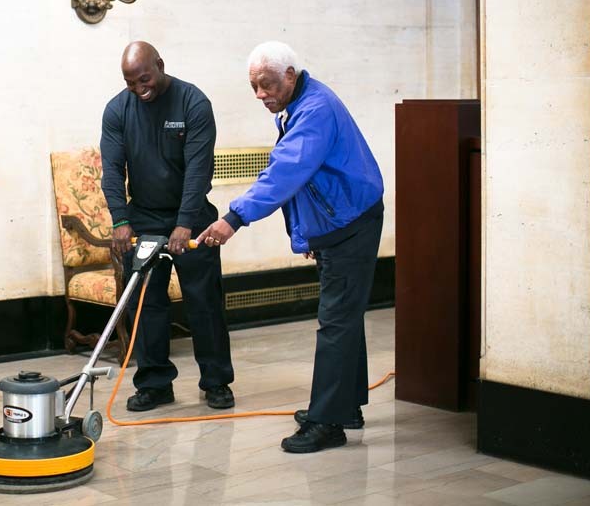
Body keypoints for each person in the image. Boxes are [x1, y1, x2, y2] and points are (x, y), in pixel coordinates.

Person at [197, 41, 384, 453]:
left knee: (335, 322)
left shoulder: (314, 110)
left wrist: (234, 218)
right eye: (253, 87)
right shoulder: (299, 105)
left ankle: (327, 422)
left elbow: (286, 173)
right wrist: (310, 235)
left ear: (290, 76)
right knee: (345, 318)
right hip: (342, 221)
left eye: (266, 85)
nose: (261, 95)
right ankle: (346, 406)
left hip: (351, 223)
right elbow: (304, 178)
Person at [100, 41, 235, 412]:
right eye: (130, 82)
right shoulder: (117, 109)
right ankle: (155, 383)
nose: (139, 88)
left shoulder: (193, 103)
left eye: (144, 78)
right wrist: (121, 220)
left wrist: (185, 223)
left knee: (204, 301)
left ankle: (216, 381)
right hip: (143, 215)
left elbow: (198, 169)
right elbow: (111, 170)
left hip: (192, 215)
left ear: (160, 65)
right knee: (145, 303)